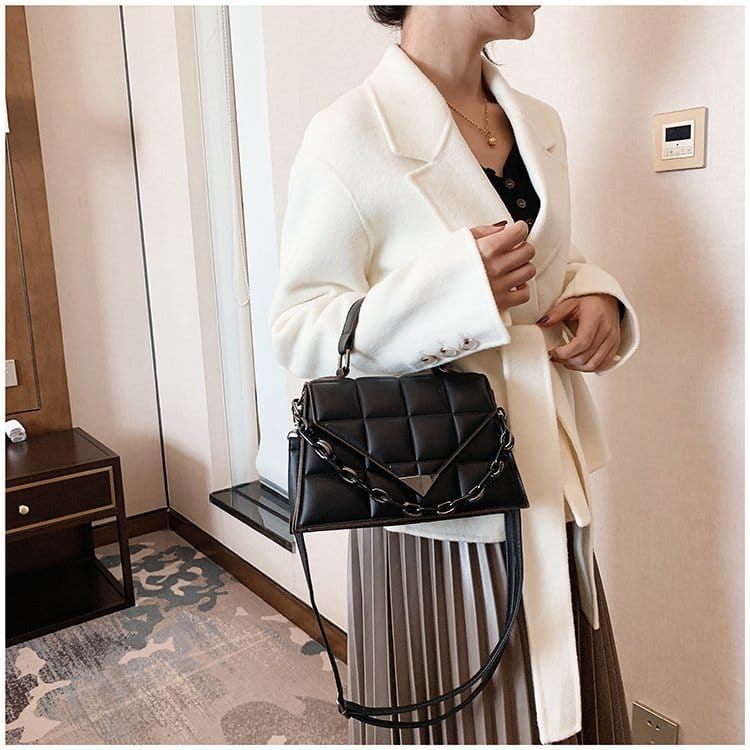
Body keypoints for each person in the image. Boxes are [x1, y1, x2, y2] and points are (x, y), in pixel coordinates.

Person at [269, 4, 640, 745]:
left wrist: (596, 292)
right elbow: (302, 331)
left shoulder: (537, 121)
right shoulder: (349, 132)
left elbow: (544, 262)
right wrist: (452, 292)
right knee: (464, 704)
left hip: (547, 468)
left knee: (569, 692)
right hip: (429, 495)